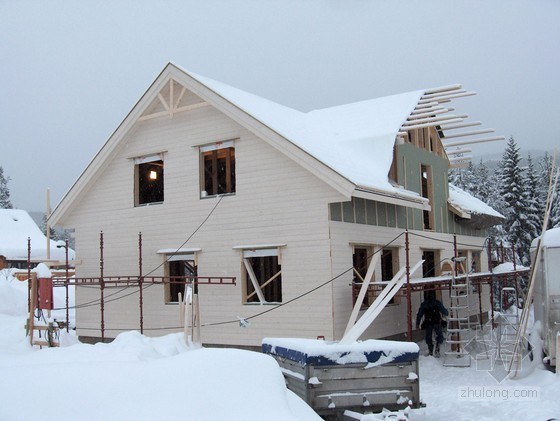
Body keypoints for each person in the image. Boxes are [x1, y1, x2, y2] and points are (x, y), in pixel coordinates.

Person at [416, 290, 448, 356]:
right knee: (439, 335)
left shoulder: (424, 304)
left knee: (428, 337)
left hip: (428, 322)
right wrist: (446, 313)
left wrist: (417, 323)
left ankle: (430, 350)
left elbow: (419, 314)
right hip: (436, 321)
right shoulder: (437, 303)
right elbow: (444, 311)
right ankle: (437, 347)